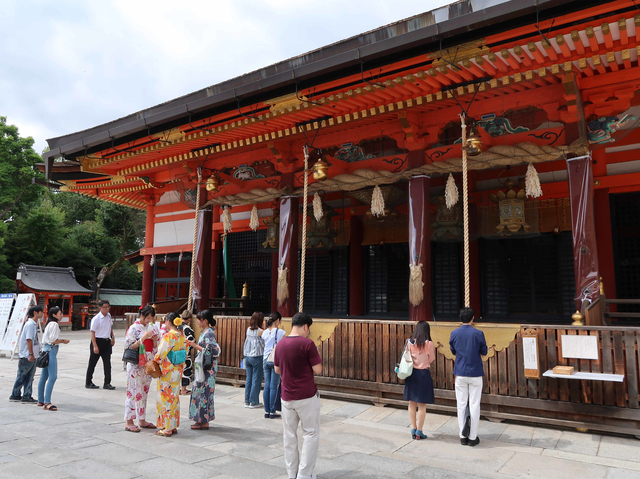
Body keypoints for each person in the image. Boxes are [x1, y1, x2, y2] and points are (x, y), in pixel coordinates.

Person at [274, 312, 322, 479]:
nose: (308, 332)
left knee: (289, 435)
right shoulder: (308, 344)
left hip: (287, 396)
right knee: (310, 433)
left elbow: (277, 370)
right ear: (305, 326)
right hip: (306, 395)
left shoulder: (280, 344)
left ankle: (291, 473)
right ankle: (304, 474)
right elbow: (318, 369)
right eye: (308, 329)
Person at [449, 307, 487, 447]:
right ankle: (472, 437)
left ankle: (462, 435)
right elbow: (483, 350)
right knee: (474, 404)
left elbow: (453, 350)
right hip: (475, 371)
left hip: (460, 371)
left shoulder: (454, 333)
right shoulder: (478, 333)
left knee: (461, 404)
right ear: (473, 318)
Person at [123, 305, 161, 432]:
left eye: (151, 317)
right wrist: (143, 338)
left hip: (148, 362)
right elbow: (129, 346)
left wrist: (154, 341)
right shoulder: (134, 328)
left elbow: (156, 347)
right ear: (142, 315)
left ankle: (142, 419)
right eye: (147, 317)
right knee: (133, 391)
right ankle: (129, 421)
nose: (149, 320)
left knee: (144, 391)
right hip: (136, 363)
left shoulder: (153, 327)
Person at [154, 312, 187, 437]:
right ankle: (173, 426)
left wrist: (155, 361)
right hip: (177, 370)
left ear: (168, 321)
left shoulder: (168, 336)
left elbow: (161, 353)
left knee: (165, 398)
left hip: (167, 371)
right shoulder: (181, 335)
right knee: (174, 398)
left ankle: (167, 427)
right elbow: (185, 351)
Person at [188, 309, 220, 430]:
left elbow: (212, 351)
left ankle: (204, 420)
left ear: (205, 320)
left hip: (207, 368)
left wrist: (195, 346)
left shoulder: (209, 333)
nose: (197, 322)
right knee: (200, 392)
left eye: (199, 320)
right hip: (203, 367)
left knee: (204, 393)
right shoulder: (206, 332)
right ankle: (200, 419)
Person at [403, 321, 436, 440]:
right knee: (422, 405)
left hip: (411, 373)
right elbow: (431, 358)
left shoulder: (409, 342)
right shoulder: (429, 344)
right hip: (423, 374)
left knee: (412, 403)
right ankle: (419, 431)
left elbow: (406, 357)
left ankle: (413, 428)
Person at [37, 306, 70, 410]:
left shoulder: (49, 324)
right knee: (52, 377)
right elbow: (52, 340)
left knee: (44, 377)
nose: (62, 315)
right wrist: (63, 340)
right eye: (60, 313)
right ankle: (47, 402)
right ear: (54, 315)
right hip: (51, 351)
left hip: (46, 350)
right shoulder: (54, 324)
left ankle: (40, 400)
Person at [10, 305, 43, 404]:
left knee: (29, 376)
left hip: (31, 355)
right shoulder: (30, 324)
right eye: (41, 312)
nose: (42, 313)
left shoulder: (33, 324)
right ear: (35, 313)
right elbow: (29, 340)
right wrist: (31, 354)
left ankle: (26, 395)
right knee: (22, 375)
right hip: (27, 355)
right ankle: (16, 394)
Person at [86, 300, 116, 390]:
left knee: (107, 364)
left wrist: (113, 337)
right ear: (100, 308)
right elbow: (92, 333)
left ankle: (107, 383)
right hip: (98, 341)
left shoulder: (109, 316)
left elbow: (110, 327)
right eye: (106, 307)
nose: (108, 309)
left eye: (108, 307)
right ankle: (88, 382)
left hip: (107, 342)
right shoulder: (96, 319)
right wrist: (95, 346)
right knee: (92, 363)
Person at [262, 311, 285, 419]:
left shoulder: (264, 332)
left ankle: (267, 410)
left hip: (265, 359)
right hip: (275, 360)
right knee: (273, 386)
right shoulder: (280, 332)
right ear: (278, 321)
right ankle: (272, 411)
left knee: (267, 385)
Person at [243, 311, 265, 409]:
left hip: (247, 357)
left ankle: (247, 400)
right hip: (257, 357)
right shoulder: (261, 331)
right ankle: (254, 401)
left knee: (249, 379)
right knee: (256, 379)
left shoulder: (248, 329)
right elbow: (264, 343)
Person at [179, 310, 195, 396]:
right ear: (189, 319)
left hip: (176, 352)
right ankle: (184, 389)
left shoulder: (176, 327)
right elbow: (191, 341)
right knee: (186, 369)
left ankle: (179, 388)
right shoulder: (187, 329)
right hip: (185, 353)